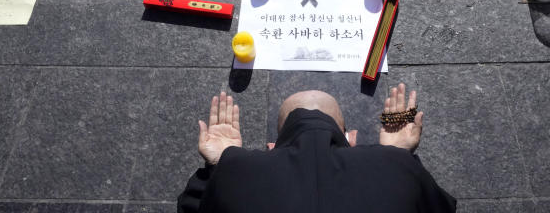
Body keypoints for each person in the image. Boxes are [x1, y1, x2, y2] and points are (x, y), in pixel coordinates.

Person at [178, 83, 456, 212]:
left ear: (273, 146)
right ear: (351, 139)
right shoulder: (396, 168)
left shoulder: (234, 172)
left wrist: (219, 165)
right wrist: (398, 156)